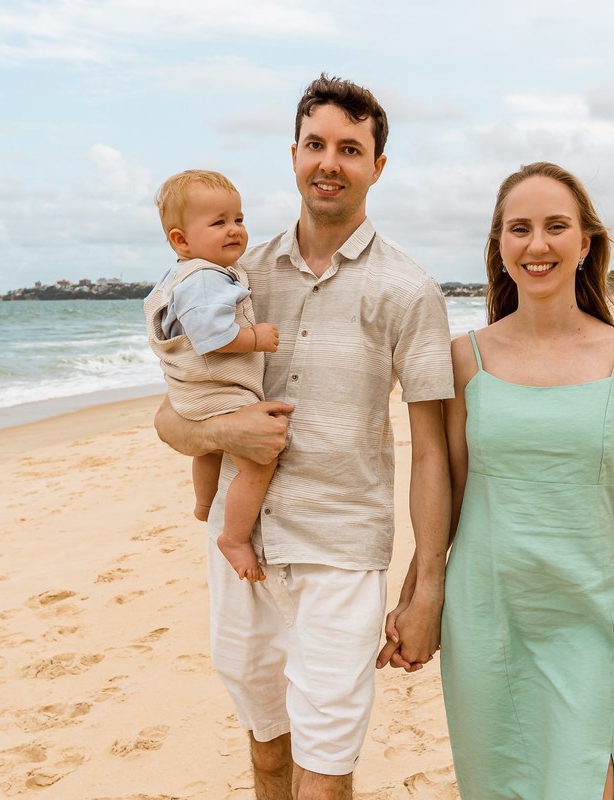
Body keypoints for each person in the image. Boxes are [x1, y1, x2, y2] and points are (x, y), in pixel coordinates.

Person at [153, 75, 454, 800]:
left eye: (350, 149)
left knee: (324, 771)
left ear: (377, 167)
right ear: (293, 154)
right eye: (316, 144)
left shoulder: (409, 290)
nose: (330, 162)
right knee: (265, 749)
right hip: (241, 552)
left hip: (341, 555)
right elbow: (169, 417)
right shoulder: (230, 276)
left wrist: (427, 588)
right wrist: (231, 431)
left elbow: (434, 451)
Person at [378, 162, 614, 799]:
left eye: (556, 227)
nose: (537, 244)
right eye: (519, 229)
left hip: (592, 615)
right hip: (488, 616)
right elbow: (449, 487)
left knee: (592, 780)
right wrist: (420, 593)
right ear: (500, 246)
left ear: (585, 243)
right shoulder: (464, 359)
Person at [143, 169, 281, 582]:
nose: (234, 230)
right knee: (258, 463)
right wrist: (255, 337)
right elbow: (212, 336)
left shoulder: (184, 275)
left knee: (209, 446)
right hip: (216, 387)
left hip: (191, 393)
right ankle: (234, 537)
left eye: (238, 219)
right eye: (218, 223)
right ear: (180, 240)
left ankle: (205, 502)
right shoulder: (205, 278)